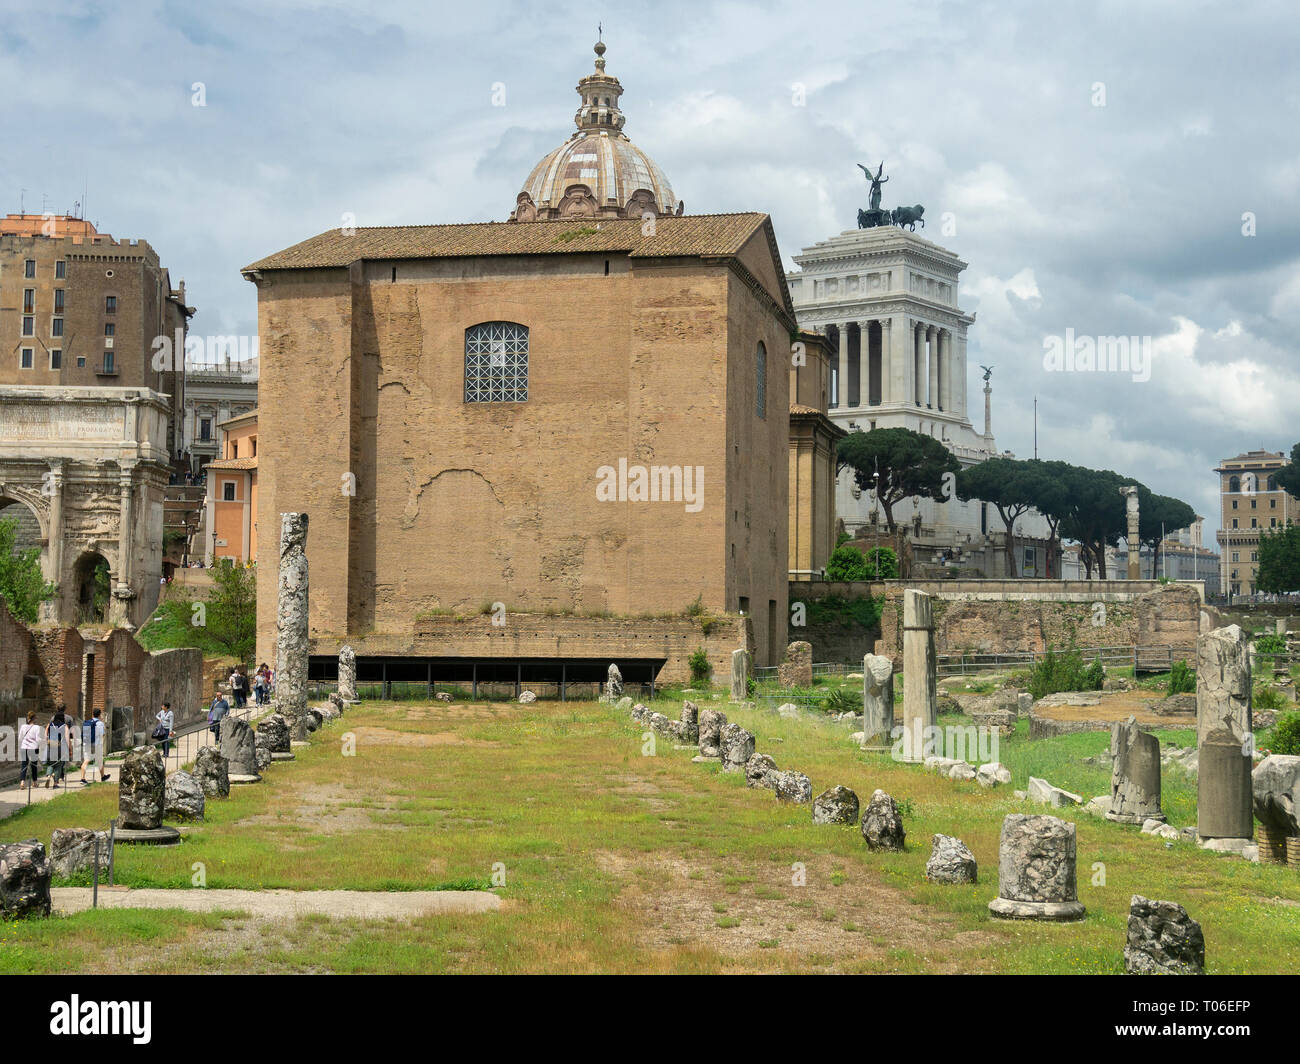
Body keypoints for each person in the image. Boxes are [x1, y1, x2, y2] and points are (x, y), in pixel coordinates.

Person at [42, 706, 72, 788]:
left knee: (51, 763)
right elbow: (67, 739)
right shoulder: (64, 726)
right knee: (59, 764)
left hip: (51, 745)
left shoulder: (50, 724)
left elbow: (45, 735)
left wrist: (47, 742)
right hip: (60, 747)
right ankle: (55, 783)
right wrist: (70, 749)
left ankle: (48, 776)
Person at [79, 707, 109, 784]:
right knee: (100, 760)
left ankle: (82, 778)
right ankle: (102, 777)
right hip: (96, 745)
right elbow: (102, 735)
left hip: (86, 743)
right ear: (99, 715)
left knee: (86, 760)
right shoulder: (100, 723)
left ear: (93, 714)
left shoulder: (87, 722)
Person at [18, 711, 41, 786]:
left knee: (24, 765)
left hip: (24, 747)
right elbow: (37, 739)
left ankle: (22, 782)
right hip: (33, 748)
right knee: (34, 765)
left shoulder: (23, 726)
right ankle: (35, 782)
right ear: (34, 718)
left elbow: (20, 738)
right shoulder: (37, 727)